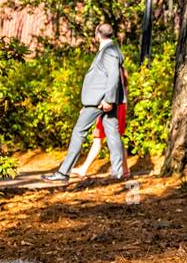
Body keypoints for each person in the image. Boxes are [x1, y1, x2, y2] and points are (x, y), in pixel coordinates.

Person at [43, 23, 127, 182]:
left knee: (78, 132)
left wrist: (108, 99)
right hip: (102, 101)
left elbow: (114, 75)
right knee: (113, 135)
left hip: (99, 102)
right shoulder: (111, 50)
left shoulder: (109, 51)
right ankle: (117, 173)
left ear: (98, 34)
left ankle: (63, 173)